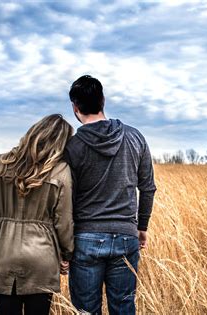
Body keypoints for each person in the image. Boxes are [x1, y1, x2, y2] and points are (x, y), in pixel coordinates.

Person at [64, 75, 157, 315]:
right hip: (127, 237)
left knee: (85, 312)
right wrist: (141, 227)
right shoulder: (135, 137)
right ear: (103, 100)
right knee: (124, 308)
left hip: (85, 239)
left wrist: (64, 244)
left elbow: (65, 198)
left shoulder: (72, 147)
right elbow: (147, 187)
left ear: (75, 108)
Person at [0, 114, 74, 315]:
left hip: (2, 255)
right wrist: (67, 254)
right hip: (42, 259)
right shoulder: (61, 171)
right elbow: (63, 221)